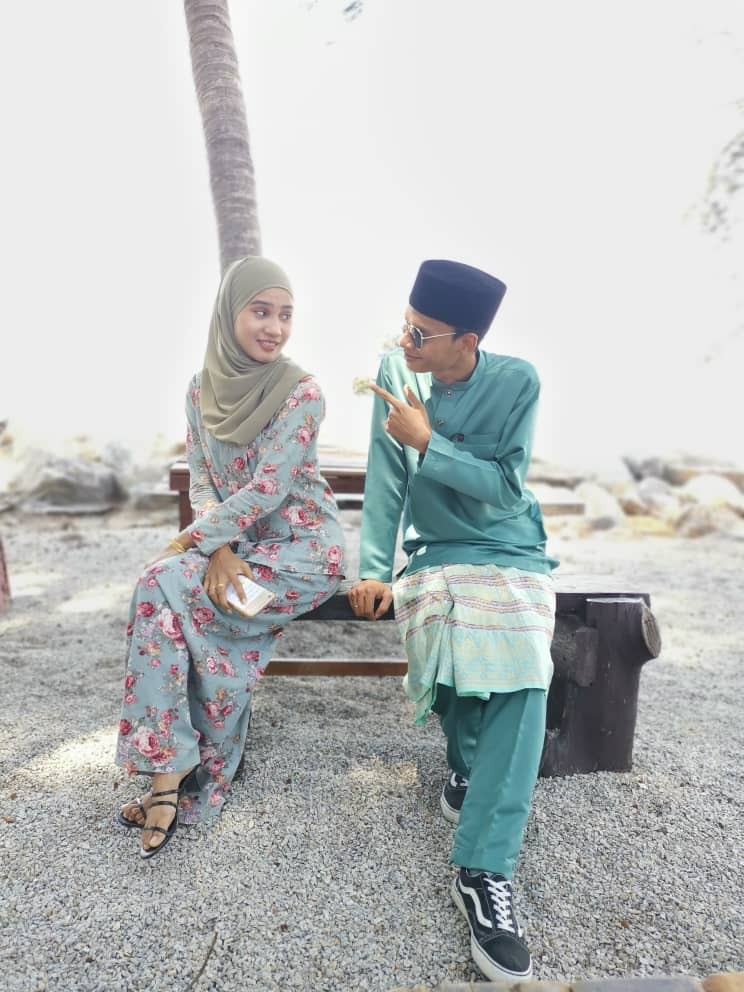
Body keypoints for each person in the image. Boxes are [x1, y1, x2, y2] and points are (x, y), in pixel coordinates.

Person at [348, 259, 558, 981]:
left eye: (422, 334)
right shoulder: (395, 373)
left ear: (467, 341)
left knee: (525, 667)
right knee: (451, 642)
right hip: (436, 552)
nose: (404, 342)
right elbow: (385, 478)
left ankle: (484, 868)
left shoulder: (517, 381)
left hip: (510, 547)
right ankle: (468, 770)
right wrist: (373, 566)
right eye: (405, 325)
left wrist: (428, 441)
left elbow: (505, 487)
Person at [115, 256, 345, 859]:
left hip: (300, 554)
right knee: (161, 591)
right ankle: (173, 776)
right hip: (235, 549)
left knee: (162, 582)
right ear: (228, 314)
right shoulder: (200, 389)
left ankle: (173, 775)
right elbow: (201, 478)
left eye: (286, 315)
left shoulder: (302, 392)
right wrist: (214, 547)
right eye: (260, 311)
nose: (275, 327)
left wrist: (191, 543)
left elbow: (267, 490)